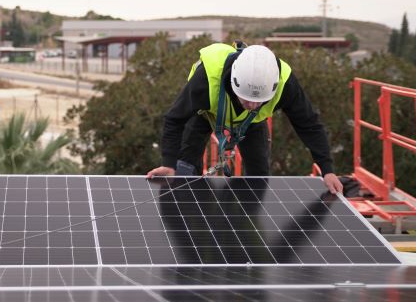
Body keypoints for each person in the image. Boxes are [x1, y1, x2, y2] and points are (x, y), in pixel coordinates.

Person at [146, 42, 343, 195]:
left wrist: (327, 168)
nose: (252, 106)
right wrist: (169, 163)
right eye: (247, 100)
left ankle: (245, 224)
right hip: (205, 114)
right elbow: (174, 119)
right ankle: (189, 216)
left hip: (252, 124)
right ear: (233, 83)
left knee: (258, 176)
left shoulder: (285, 83)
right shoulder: (206, 80)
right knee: (184, 170)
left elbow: (309, 124)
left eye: (259, 102)